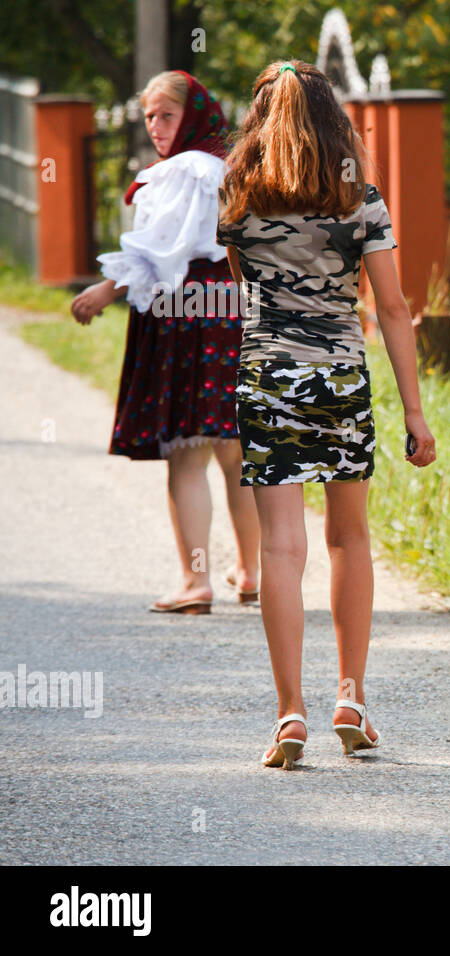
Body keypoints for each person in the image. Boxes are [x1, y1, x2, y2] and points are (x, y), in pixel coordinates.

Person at [217, 60, 436, 770]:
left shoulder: (236, 198)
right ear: (334, 123)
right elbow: (394, 310)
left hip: (266, 376)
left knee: (280, 547)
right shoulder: (361, 201)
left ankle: (289, 714)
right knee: (348, 537)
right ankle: (351, 697)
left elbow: (243, 283)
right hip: (339, 380)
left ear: (259, 123)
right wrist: (415, 412)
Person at [71, 70, 260, 615]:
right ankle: (250, 574)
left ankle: (196, 582)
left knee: (187, 453)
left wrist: (106, 289)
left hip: (186, 314)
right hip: (232, 310)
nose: (156, 126)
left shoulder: (177, 173)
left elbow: (159, 254)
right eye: (149, 116)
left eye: (166, 116)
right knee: (234, 450)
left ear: (192, 116)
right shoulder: (230, 169)